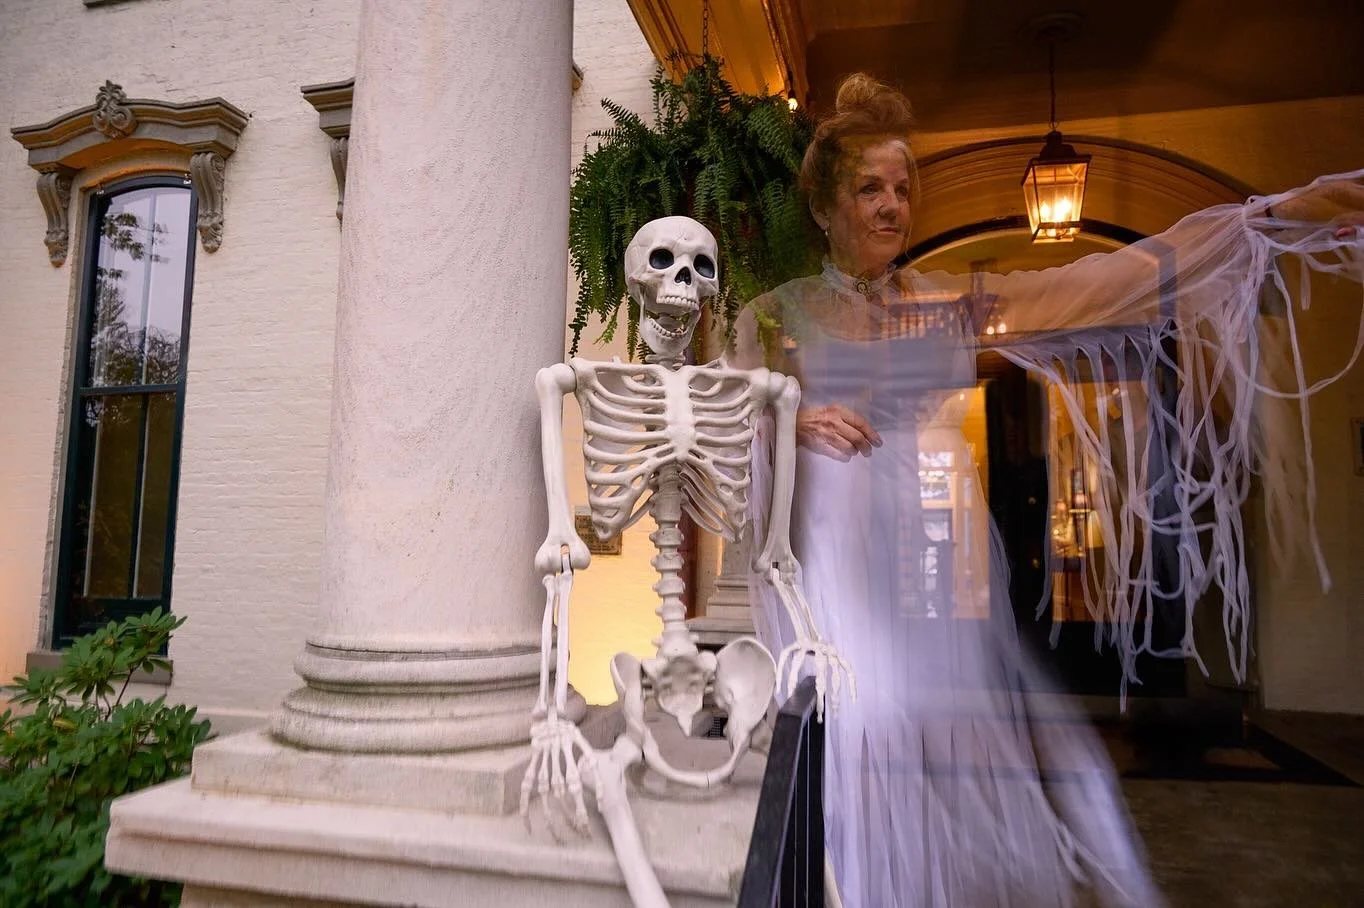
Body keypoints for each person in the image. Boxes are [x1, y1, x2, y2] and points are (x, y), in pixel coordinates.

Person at [730, 73, 1364, 907]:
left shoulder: (940, 306)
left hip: (908, 550)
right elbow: (722, 411)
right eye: (869, 189)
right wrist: (793, 417)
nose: (892, 206)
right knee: (851, 724)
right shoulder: (775, 315)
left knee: (909, 733)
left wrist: (1263, 221)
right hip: (821, 552)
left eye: (903, 188)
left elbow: (1097, 282)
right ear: (822, 206)